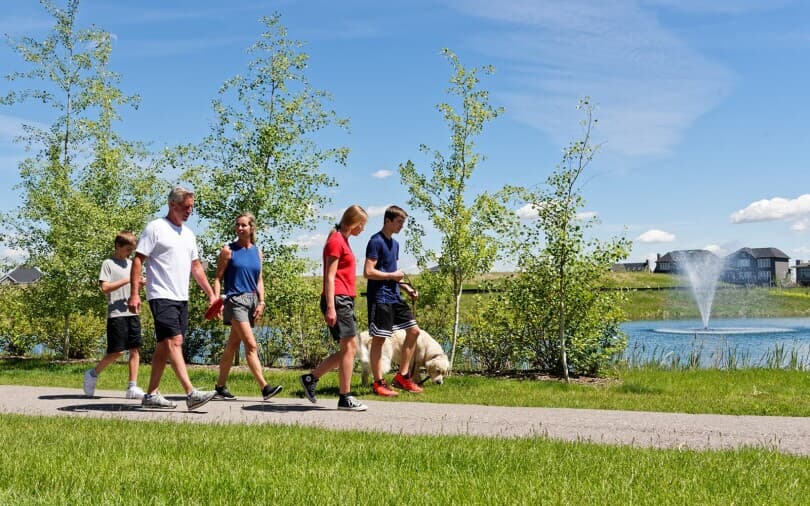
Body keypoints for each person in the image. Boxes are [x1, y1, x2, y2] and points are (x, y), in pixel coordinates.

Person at [127, 186, 217, 410]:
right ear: (172, 205)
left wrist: (211, 294)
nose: (189, 212)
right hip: (160, 294)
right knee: (174, 342)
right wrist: (134, 293)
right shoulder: (155, 228)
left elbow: (196, 267)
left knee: (164, 347)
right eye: (186, 207)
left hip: (181, 297)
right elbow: (138, 260)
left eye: (192, 208)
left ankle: (151, 395)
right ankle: (191, 393)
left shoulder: (188, 234)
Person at [300, 204, 368, 411]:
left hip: (344, 299)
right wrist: (331, 307)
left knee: (349, 349)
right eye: (362, 225)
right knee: (349, 348)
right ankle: (345, 396)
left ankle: (312, 379)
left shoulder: (343, 240)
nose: (362, 229)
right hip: (337, 299)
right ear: (353, 222)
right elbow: (329, 277)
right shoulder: (336, 241)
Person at [212, 212, 283, 401]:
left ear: (252, 228)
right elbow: (218, 278)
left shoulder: (257, 251)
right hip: (235, 302)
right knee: (251, 344)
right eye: (238, 225)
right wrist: (217, 300)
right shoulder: (228, 250)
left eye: (244, 225)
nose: (240, 228)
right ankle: (265, 387)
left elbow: (259, 279)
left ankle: (220, 387)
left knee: (232, 345)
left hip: (251, 301)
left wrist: (261, 301)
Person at [363, 205, 423, 396]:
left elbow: (392, 274)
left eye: (403, 222)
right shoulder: (375, 241)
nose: (401, 226)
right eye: (399, 222)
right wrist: (392, 276)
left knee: (414, 331)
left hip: (394, 296)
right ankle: (378, 382)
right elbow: (368, 272)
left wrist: (405, 286)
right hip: (379, 297)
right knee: (379, 340)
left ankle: (402, 376)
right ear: (387, 221)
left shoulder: (395, 244)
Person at [83, 231, 146, 399]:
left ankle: (132, 387)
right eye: (127, 249)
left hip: (132, 311)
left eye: (132, 250)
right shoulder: (108, 264)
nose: (130, 253)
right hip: (116, 313)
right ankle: (92, 374)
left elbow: (135, 288)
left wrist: (140, 284)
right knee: (117, 352)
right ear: (118, 246)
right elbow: (104, 288)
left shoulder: (133, 264)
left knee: (135, 349)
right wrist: (128, 280)